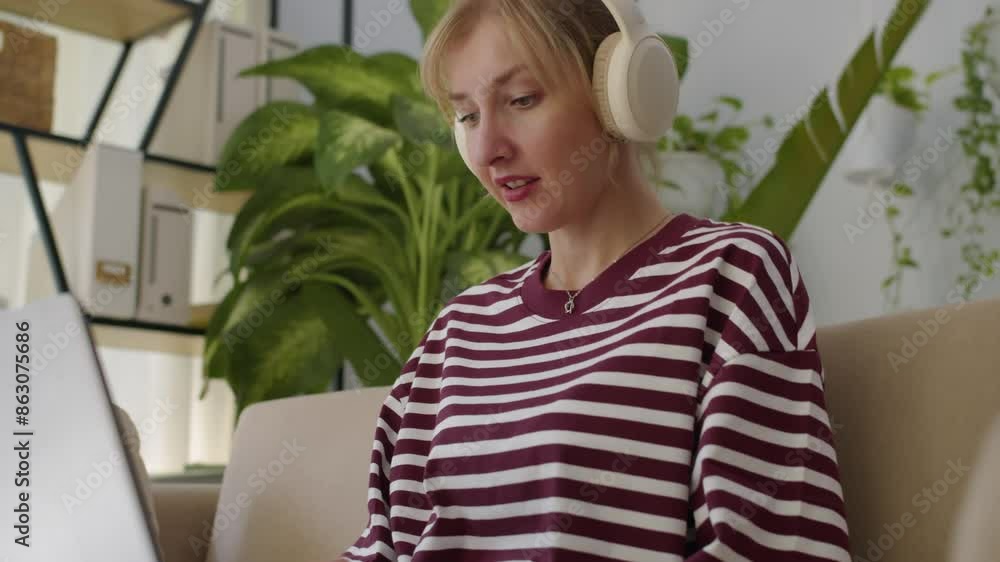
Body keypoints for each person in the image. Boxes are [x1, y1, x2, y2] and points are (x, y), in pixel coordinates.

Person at [340, 1, 851, 560]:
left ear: (620, 93)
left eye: (521, 100)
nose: (488, 150)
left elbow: (770, 547)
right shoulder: (458, 329)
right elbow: (383, 545)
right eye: (467, 116)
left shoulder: (730, 277)